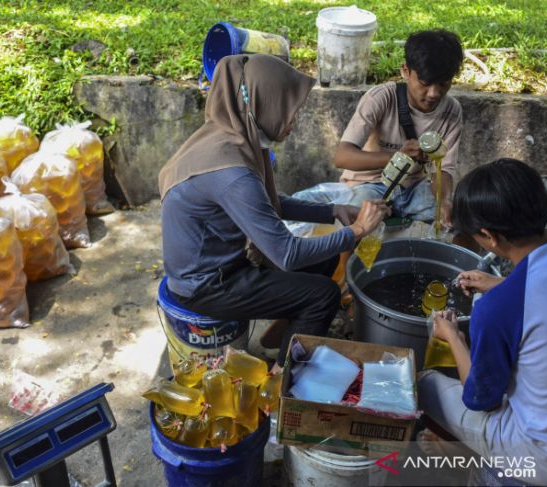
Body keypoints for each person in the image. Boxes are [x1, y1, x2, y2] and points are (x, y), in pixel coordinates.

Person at [158, 54, 389, 369]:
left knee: (325, 259)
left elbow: (268, 202)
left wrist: (334, 210)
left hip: (221, 266)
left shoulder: (227, 136)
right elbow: (287, 254)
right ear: (264, 105)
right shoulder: (232, 171)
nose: (293, 121)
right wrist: (358, 231)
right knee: (323, 296)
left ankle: (276, 339)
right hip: (206, 285)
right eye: (289, 111)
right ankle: (280, 381)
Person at [418, 158, 547, 485]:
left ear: (488, 236)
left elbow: (480, 399)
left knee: (425, 384)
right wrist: (502, 285)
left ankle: (460, 458)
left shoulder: (497, 309)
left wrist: (453, 336)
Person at [334, 29, 464, 226]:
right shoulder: (380, 98)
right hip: (370, 184)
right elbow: (342, 157)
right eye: (425, 83)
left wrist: (444, 202)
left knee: (454, 222)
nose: (434, 93)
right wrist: (398, 158)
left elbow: (444, 170)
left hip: (414, 189)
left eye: (444, 84)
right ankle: (343, 258)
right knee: (355, 222)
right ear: (406, 71)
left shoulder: (452, 112)